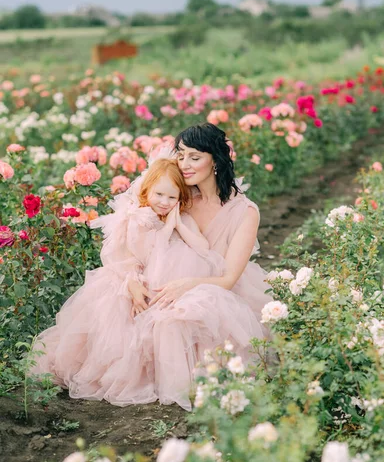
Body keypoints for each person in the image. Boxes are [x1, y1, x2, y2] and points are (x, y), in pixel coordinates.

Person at [30, 145, 272, 410]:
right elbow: (131, 250)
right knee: (120, 307)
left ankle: (175, 372)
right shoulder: (154, 204)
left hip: (193, 275)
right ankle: (135, 366)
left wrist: (176, 224)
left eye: (194, 157)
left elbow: (204, 251)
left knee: (181, 315)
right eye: (182, 156)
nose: (186, 164)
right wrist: (131, 278)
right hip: (150, 273)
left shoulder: (209, 206)